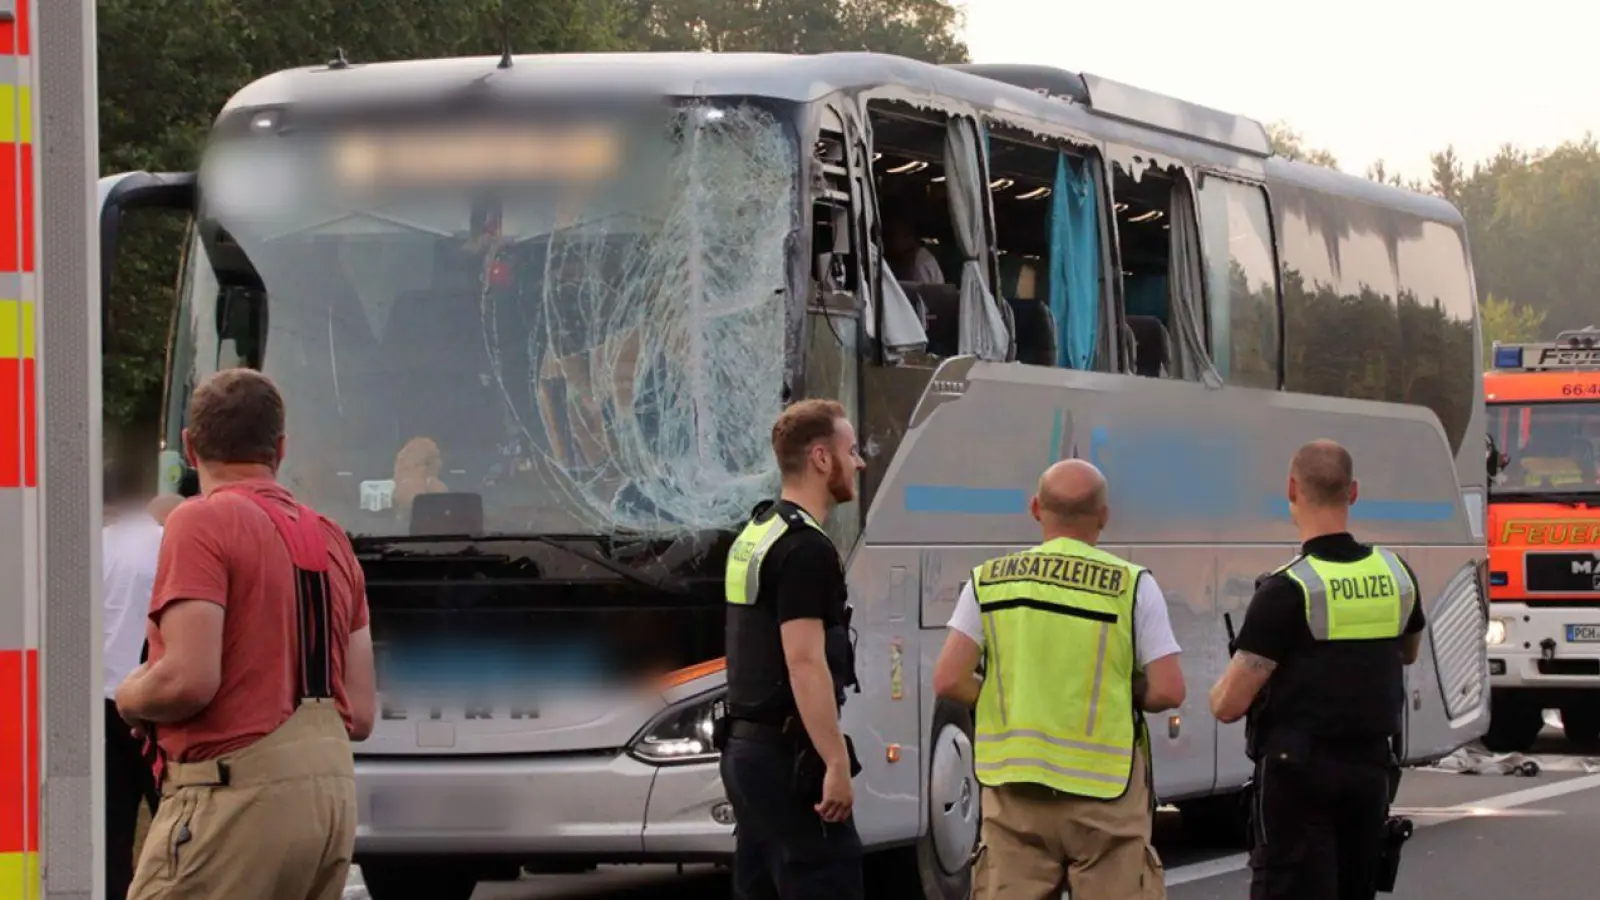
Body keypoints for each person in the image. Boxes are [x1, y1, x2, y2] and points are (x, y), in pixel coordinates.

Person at [114, 368, 379, 900]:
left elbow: (188, 680)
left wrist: (131, 695)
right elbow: (362, 713)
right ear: (280, 449)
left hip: (236, 803)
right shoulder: (330, 537)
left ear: (190, 448)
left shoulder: (200, 522)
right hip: (328, 806)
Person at [933, 459, 1185, 900]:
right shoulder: (1132, 586)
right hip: (1106, 793)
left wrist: (1004, 697)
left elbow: (949, 679)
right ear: (1104, 516)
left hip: (1015, 791)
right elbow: (1168, 689)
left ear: (1035, 508)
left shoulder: (988, 581)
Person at [1209, 439, 1426, 900]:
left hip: (1297, 771)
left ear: (1292, 488)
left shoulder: (1287, 588)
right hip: (1370, 767)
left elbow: (1230, 704)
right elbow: (1407, 652)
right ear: (1354, 492)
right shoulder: (1396, 573)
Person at [719, 398, 867, 899]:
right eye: (852, 450)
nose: (860, 462)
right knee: (828, 877)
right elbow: (804, 663)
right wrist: (835, 763)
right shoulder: (806, 549)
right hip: (788, 759)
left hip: (746, 753)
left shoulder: (757, 533)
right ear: (822, 458)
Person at [101, 463, 168, 900]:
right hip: (156, 706)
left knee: (111, 835)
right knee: (175, 826)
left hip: (104, 705)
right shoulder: (167, 542)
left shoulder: (93, 547)